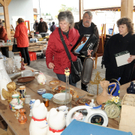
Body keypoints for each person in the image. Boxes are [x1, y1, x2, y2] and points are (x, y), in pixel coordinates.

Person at [46, 11, 80, 86]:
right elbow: (49, 50)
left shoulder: (76, 33)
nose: (62, 26)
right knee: (63, 88)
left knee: (73, 88)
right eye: (61, 23)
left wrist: (86, 52)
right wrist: (49, 61)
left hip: (73, 66)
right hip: (60, 67)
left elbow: (79, 48)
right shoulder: (54, 35)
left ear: (70, 24)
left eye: (65, 23)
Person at [103, 17, 135, 85]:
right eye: (119, 27)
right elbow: (106, 52)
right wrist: (107, 64)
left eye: (122, 27)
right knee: (111, 88)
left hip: (126, 70)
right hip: (112, 68)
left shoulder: (133, 38)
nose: (120, 29)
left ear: (129, 27)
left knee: (123, 88)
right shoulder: (113, 38)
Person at [74, 11, 99, 91]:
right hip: (76, 53)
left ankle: (84, 87)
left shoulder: (94, 28)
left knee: (85, 72)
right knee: (74, 71)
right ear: (82, 18)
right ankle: (72, 86)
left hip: (87, 54)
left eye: (89, 18)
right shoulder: (76, 26)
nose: (87, 19)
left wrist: (92, 52)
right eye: (86, 17)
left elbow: (97, 41)